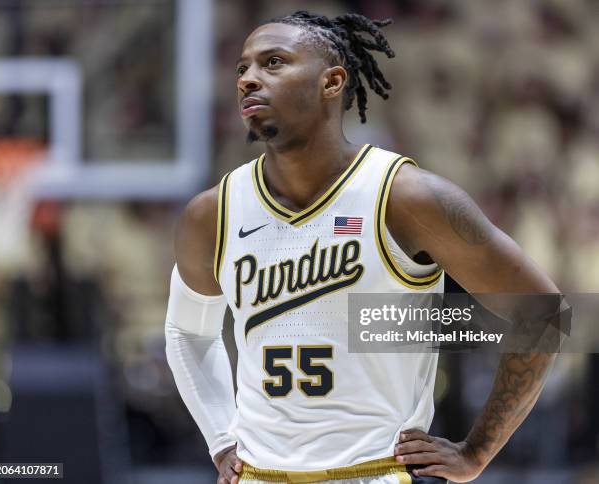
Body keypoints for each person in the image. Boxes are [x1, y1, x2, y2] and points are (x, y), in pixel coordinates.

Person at [165, 11, 560, 484]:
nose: (249, 79)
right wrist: (219, 436)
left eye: (273, 63)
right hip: (259, 475)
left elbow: (542, 312)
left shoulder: (406, 197)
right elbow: (188, 332)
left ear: (331, 82)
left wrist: (477, 451)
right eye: (242, 68)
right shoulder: (212, 213)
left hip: (374, 471)